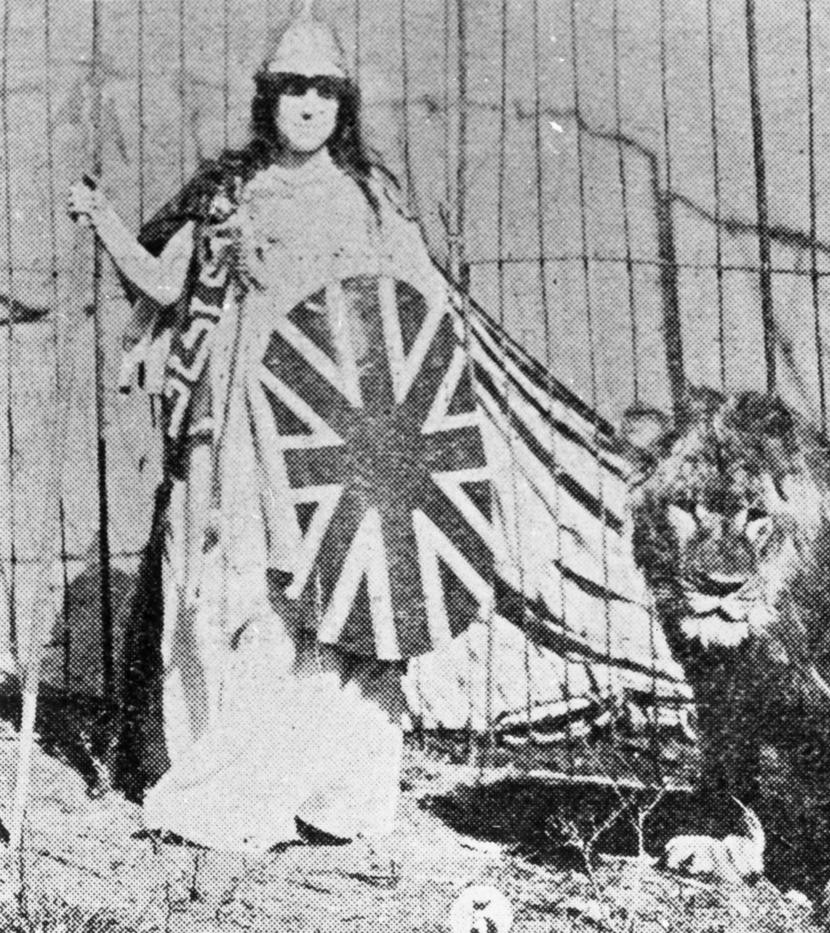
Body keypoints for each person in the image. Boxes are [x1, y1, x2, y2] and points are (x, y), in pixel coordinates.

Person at [67, 3, 435, 854]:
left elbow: (420, 305)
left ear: (342, 106)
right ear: (267, 100)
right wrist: (107, 221)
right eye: (290, 90)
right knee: (237, 590)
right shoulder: (229, 192)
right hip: (233, 425)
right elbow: (165, 286)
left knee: (322, 596)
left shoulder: (367, 201)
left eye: (322, 92)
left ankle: (327, 780)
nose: (306, 105)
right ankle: (228, 775)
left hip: (331, 430)